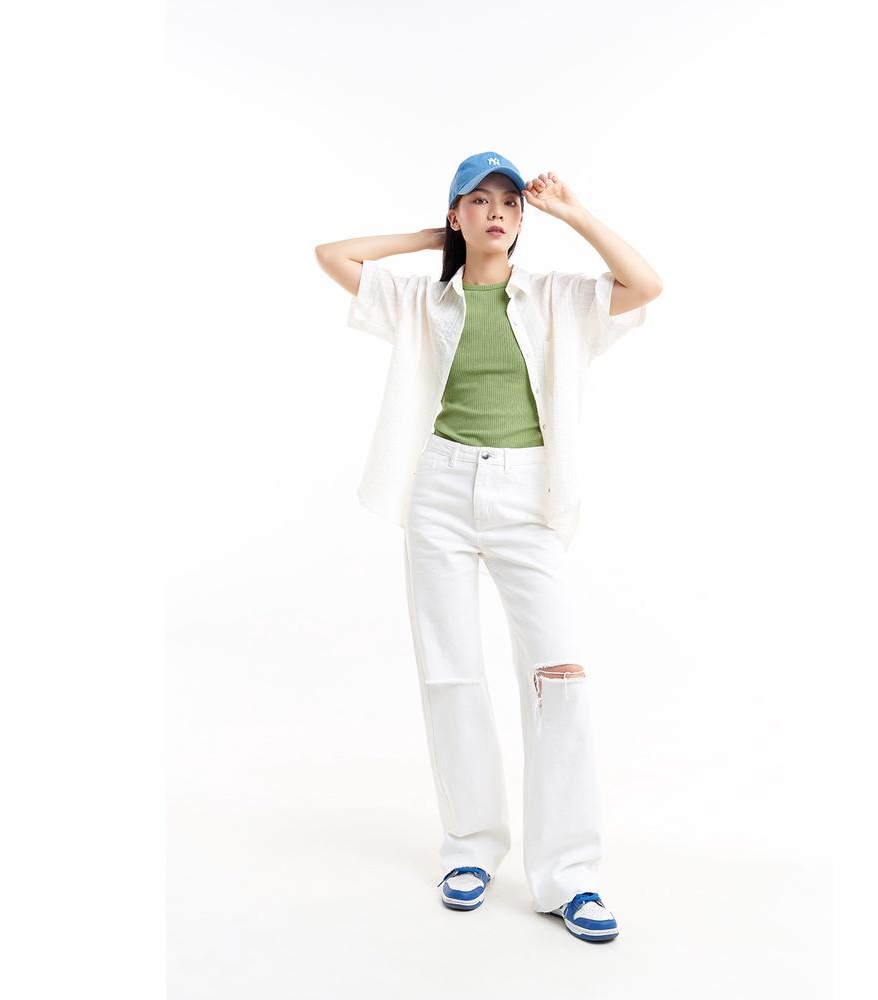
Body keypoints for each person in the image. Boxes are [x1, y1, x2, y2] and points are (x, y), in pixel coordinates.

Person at [314, 151, 662, 943]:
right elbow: (331, 256)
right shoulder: (421, 299)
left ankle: (569, 874)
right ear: (457, 214)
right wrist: (433, 239)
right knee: (452, 673)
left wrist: (573, 212)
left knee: (559, 678)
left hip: (527, 495)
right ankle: (470, 847)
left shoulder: (558, 298)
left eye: (509, 201)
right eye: (478, 200)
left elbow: (645, 285)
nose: (497, 210)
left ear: (524, 219)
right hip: (439, 488)